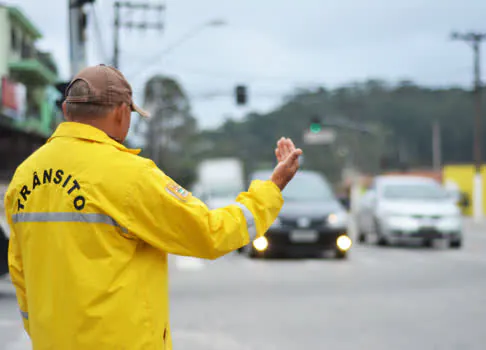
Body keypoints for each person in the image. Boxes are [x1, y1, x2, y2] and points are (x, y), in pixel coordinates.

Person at [4, 64, 302, 350]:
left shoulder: (23, 177)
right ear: (122, 113)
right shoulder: (130, 176)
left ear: (67, 111)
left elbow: (19, 274)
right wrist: (272, 188)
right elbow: (212, 233)